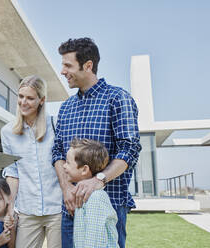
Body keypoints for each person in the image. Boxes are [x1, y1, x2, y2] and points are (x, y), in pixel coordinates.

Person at [52, 38, 142, 248]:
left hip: (107, 205)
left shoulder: (117, 98)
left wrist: (98, 180)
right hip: (71, 208)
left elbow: (130, 148)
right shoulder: (66, 107)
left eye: (68, 65)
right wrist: (66, 189)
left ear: (88, 65)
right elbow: (57, 152)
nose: (63, 71)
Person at [1, 75, 62, 248]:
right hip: (28, 210)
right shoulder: (7, 132)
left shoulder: (56, 125)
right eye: (21, 96)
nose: (23, 102)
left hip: (57, 209)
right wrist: (10, 209)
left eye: (30, 98)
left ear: (42, 100)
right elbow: (13, 174)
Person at [64, 138, 119, 248]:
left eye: (68, 163)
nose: (64, 166)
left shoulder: (95, 197)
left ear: (84, 169)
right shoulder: (84, 195)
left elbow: (94, 241)